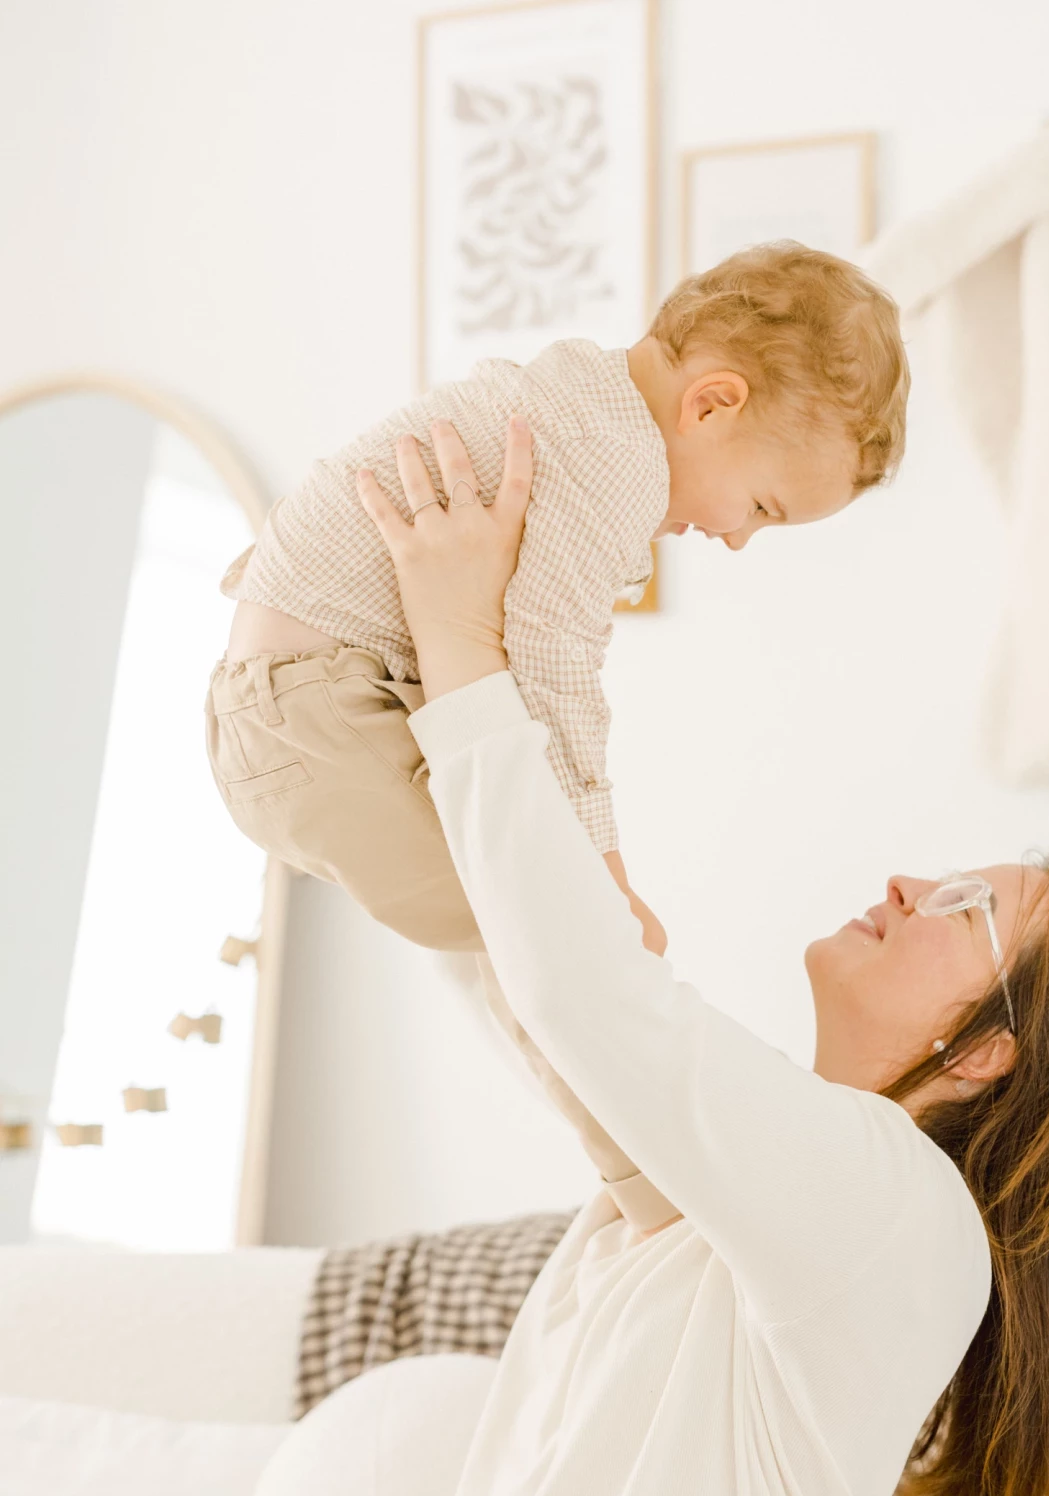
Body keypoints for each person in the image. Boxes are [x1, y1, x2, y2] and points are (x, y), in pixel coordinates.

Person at [5, 427, 1049, 1496]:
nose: (910, 883)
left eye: (963, 910)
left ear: (985, 1061)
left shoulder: (902, 1215)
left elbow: (576, 990)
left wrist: (459, 641)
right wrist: (342, 656)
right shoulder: (747, 1187)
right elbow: (523, 979)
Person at [207, 242, 908, 959]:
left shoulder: (577, 392)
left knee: (539, 929)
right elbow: (555, 665)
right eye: (762, 506)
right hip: (322, 718)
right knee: (568, 934)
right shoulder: (620, 458)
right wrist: (606, 872)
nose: (737, 539)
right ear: (711, 405)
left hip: (281, 707)